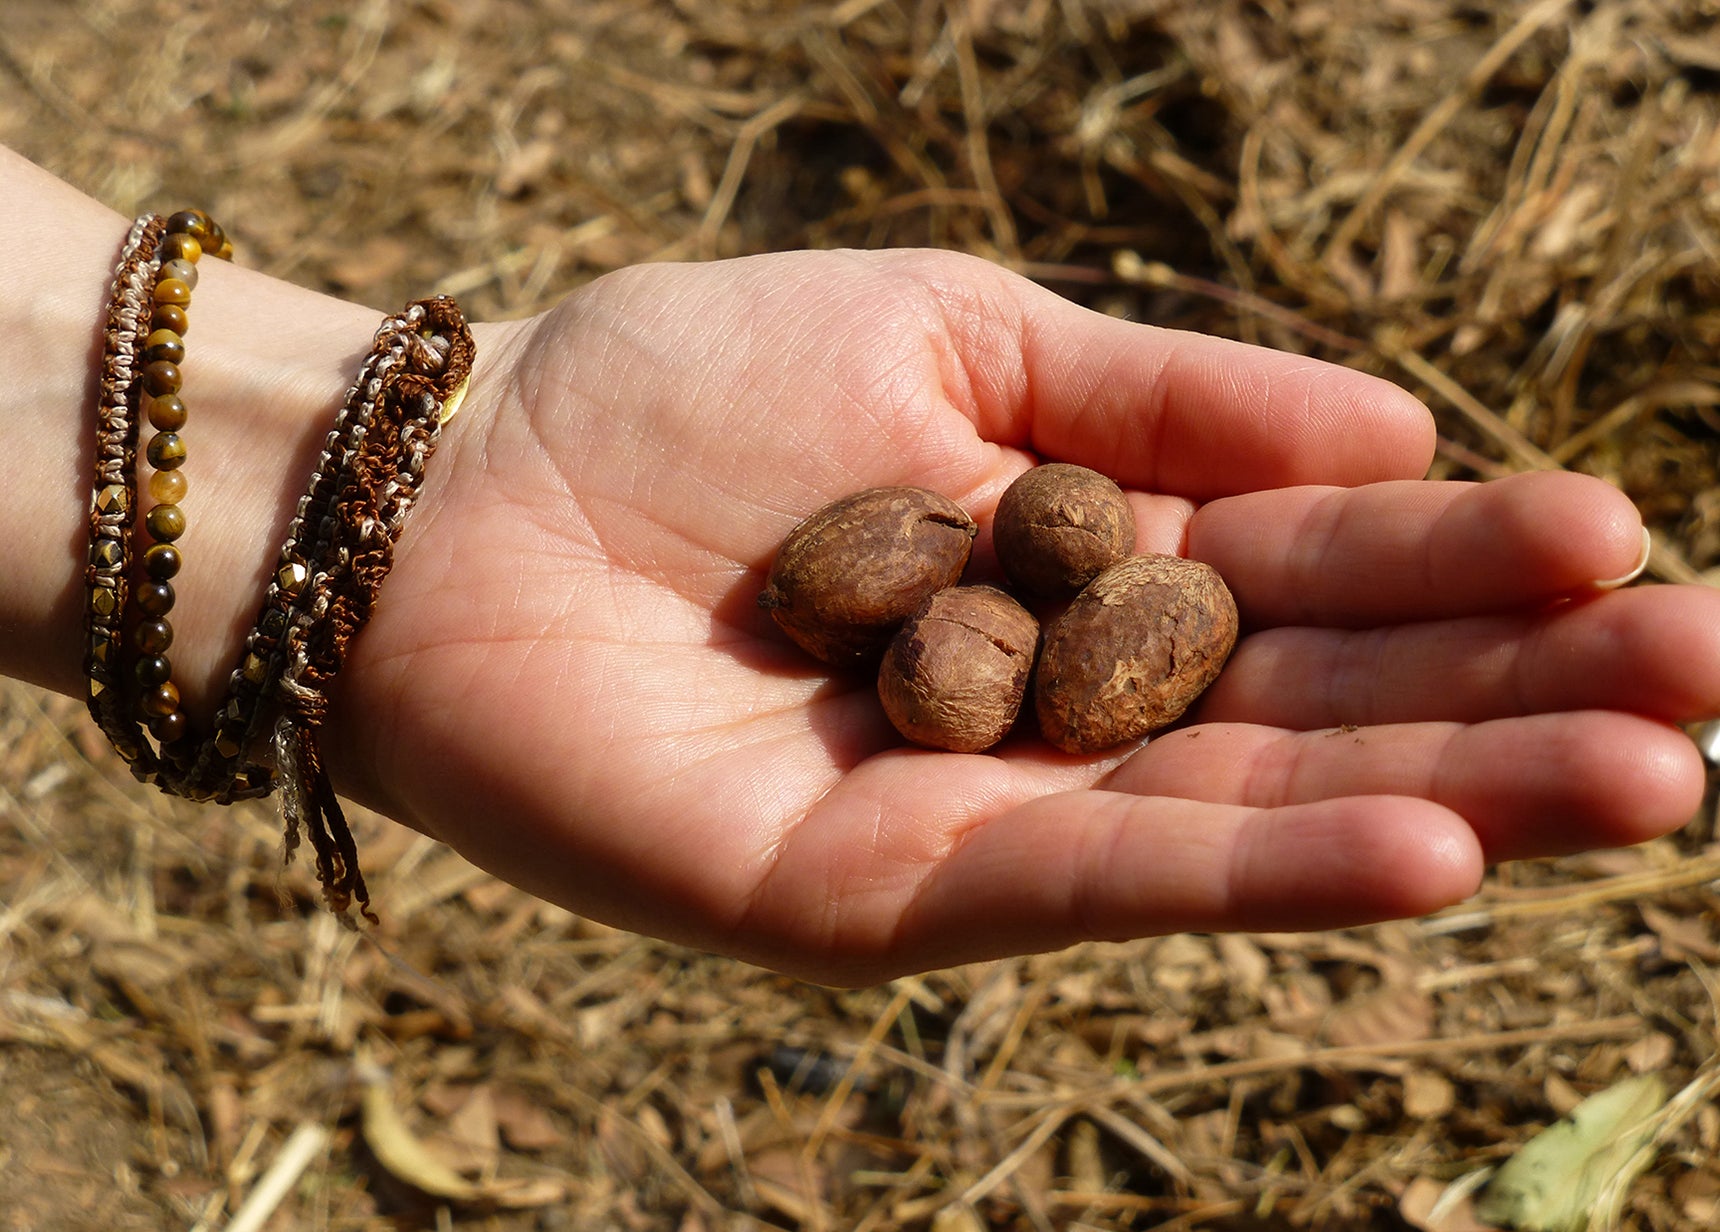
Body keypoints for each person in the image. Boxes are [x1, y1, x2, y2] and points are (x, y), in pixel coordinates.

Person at [6, 144, 1716, 985]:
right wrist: (444, 464)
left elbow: (1058, 588)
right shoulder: (964, 583)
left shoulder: (1028, 581)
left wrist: (337, 484)